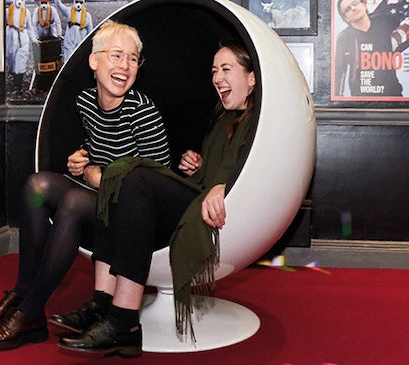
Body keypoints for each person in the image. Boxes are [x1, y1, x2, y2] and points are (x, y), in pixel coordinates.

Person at [0, 20, 172, 350]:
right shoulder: (85, 103)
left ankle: (31, 312)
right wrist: (80, 161)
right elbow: (97, 146)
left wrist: (101, 175)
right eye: (117, 55)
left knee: (75, 203)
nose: (124, 66)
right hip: (97, 196)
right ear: (94, 61)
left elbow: (159, 182)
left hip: (133, 210)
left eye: (133, 59)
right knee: (37, 185)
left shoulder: (143, 112)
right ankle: (22, 292)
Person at [55, 42, 260, 356]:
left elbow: (255, 171)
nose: (217, 78)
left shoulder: (258, 123)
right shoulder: (222, 122)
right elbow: (216, 169)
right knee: (124, 179)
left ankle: (124, 322)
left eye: (227, 69)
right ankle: (102, 305)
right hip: (198, 198)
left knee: (132, 175)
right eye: (214, 71)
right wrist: (201, 167)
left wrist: (224, 185)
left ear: (251, 79)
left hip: (213, 211)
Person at [333, 0, 409, 97]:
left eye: (355, 3)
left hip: (393, 97)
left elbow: (404, 6)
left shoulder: (383, 20)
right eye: (347, 9)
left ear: (364, 4)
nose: (353, 8)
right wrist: (338, 103)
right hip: (362, 101)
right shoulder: (343, 38)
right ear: (345, 19)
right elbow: (338, 72)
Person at [53, 0, 93, 66]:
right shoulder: (68, 11)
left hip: (80, 38)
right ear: (74, 2)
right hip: (70, 38)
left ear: (83, 3)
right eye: (77, 2)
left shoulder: (87, 16)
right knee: (68, 58)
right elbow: (59, 4)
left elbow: (90, 31)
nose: (78, 4)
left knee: (80, 59)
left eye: (81, 2)